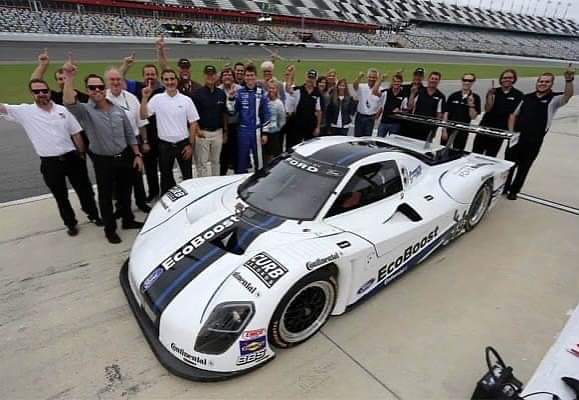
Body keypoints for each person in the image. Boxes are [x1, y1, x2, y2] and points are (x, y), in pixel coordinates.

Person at [0, 79, 101, 236]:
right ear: (32, 94)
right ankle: (70, 223)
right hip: (50, 163)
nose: (41, 94)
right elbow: (2, 108)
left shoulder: (62, 110)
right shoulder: (25, 111)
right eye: (36, 91)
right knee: (60, 195)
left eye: (44, 91)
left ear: (49, 91)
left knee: (85, 190)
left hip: (72, 158)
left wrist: (81, 154)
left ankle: (94, 215)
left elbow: (76, 132)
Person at [62, 60, 144, 244]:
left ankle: (128, 220)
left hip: (124, 156)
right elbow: (68, 102)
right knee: (106, 196)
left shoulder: (117, 109)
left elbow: (129, 133)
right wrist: (69, 78)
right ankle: (110, 229)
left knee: (125, 191)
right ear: (88, 90)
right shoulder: (85, 111)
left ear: (104, 87)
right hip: (103, 160)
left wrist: (137, 154)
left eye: (99, 86)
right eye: (92, 88)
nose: (96, 90)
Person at [505, 67, 575, 200]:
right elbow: (514, 115)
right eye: (541, 81)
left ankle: (514, 191)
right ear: (537, 82)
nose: (543, 83)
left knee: (524, 167)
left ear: (551, 84)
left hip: (534, 139)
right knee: (509, 164)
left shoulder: (554, 99)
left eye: (546, 82)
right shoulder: (526, 97)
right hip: (517, 137)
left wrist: (569, 81)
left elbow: (568, 96)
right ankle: (504, 187)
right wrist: (511, 132)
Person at [141, 69, 200, 194]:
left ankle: (187, 201)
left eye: (172, 79)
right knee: (166, 176)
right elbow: (143, 115)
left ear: (176, 80)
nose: (170, 82)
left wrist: (190, 145)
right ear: (162, 82)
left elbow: (193, 123)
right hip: (165, 145)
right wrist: (145, 98)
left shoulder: (186, 100)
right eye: (166, 79)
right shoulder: (157, 99)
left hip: (183, 144)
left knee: (187, 177)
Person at [105, 67, 151, 214]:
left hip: (134, 143)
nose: (116, 82)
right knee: (118, 178)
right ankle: (121, 207)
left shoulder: (131, 98)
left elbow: (141, 121)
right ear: (107, 81)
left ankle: (141, 202)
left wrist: (144, 141)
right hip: (113, 145)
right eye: (112, 79)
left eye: (118, 79)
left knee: (137, 175)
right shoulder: (102, 98)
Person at [122, 60, 163, 201]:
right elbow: (119, 80)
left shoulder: (162, 90)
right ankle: (153, 191)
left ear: (157, 75)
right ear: (143, 76)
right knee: (150, 168)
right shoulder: (136, 87)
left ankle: (166, 191)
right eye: (147, 74)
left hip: (163, 135)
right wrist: (126, 65)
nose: (150, 77)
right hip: (146, 135)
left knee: (164, 167)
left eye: (152, 74)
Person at [228, 64, 270, 173]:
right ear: (244, 77)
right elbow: (232, 111)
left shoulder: (262, 93)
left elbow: (266, 114)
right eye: (247, 75)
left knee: (259, 160)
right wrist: (231, 98)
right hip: (243, 130)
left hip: (256, 131)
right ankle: (240, 181)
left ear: (255, 76)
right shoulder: (239, 92)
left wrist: (265, 133)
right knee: (242, 159)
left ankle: (260, 180)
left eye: (251, 75)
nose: (249, 78)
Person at [472, 69, 523, 157]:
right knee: (476, 152)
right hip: (486, 126)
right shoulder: (494, 91)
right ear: (501, 79)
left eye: (510, 77)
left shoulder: (518, 95)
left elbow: (513, 115)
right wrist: (490, 96)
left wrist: (510, 132)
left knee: (491, 154)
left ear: (514, 79)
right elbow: (487, 109)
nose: (507, 79)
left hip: (500, 129)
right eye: (505, 77)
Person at [192, 65, 228, 177]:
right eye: (208, 74)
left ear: (216, 76)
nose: (210, 77)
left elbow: (224, 113)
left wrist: (225, 132)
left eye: (212, 74)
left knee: (216, 162)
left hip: (218, 132)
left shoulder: (221, 93)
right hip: (203, 133)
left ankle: (215, 184)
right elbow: (193, 116)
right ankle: (203, 186)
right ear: (204, 76)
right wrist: (197, 130)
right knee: (202, 163)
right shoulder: (197, 94)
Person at [442, 73, 481, 150]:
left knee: (457, 153)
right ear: (462, 81)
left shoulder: (476, 97)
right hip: (449, 129)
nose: (467, 82)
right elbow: (446, 113)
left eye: (470, 80)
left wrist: (471, 105)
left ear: (473, 82)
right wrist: (444, 130)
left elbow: (473, 117)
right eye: (465, 80)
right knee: (442, 150)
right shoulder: (453, 95)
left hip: (462, 132)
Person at [285, 67, 322, 147]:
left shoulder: (317, 92)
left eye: (313, 78)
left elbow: (319, 111)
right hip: (298, 124)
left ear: (315, 79)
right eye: (309, 77)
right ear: (306, 78)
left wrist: (317, 127)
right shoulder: (298, 89)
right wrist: (290, 75)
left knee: (310, 147)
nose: (310, 80)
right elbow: (288, 89)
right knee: (295, 146)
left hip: (311, 125)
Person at [404, 71, 446, 141]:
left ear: (439, 81)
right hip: (414, 126)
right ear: (428, 79)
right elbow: (410, 107)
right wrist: (412, 94)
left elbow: (439, 115)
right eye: (432, 78)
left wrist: (435, 129)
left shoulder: (441, 96)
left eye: (436, 79)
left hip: (428, 129)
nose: (433, 80)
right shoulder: (419, 91)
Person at [218, 67, 241, 175]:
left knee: (237, 153)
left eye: (230, 74)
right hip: (222, 127)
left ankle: (237, 175)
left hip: (237, 126)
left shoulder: (240, 90)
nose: (227, 76)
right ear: (221, 78)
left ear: (234, 77)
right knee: (223, 155)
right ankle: (222, 175)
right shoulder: (218, 90)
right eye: (225, 74)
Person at [353, 68, 384, 137]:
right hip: (360, 116)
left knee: (367, 138)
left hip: (371, 118)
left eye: (374, 77)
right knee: (357, 137)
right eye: (370, 77)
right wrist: (359, 77)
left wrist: (377, 116)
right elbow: (354, 85)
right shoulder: (362, 86)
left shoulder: (380, 89)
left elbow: (382, 104)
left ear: (377, 78)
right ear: (367, 77)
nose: (371, 79)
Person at [262, 80, 286, 162]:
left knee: (272, 156)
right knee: (263, 155)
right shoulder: (264, 100)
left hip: (273, 133)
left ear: (277, 90)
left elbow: (282, 119)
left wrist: (277, 128)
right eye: (269, 88)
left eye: (273, 88)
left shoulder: (279, 103)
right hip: (263, 132)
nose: (271, 90)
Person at [375, 73, 406, 137]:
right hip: (384, 122)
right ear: (392, 82)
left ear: (401, 83)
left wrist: (399, 111)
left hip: (395, 124)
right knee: (379, 142)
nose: (396, 83)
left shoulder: (403, 95)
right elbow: (375, 92)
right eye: (394, 81)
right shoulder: (386, 92)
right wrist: (381, 80)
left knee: (392, 145)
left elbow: (405, 111)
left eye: (398, 82)